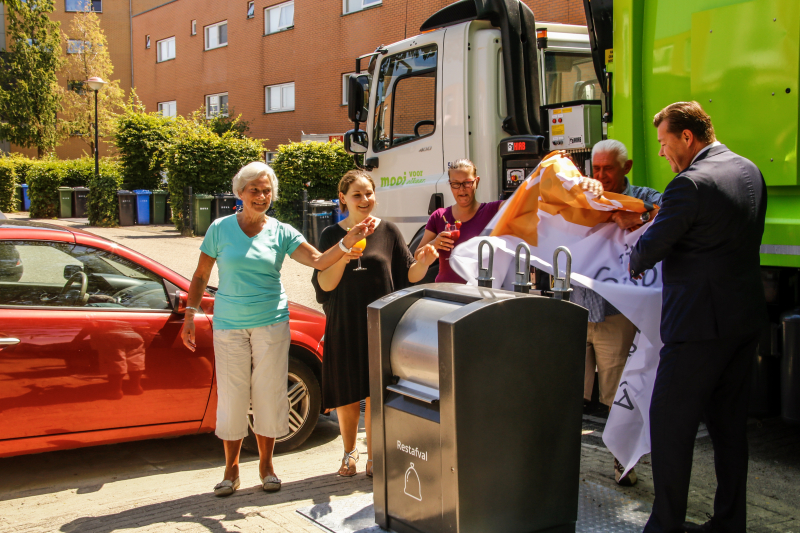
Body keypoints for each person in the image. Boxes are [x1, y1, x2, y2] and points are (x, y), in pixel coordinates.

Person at [181, 162, 375, 497]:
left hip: (271, 321)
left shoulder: (281, 231)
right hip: (229, 324)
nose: (261, 195)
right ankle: (231, 470)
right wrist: (189, 314)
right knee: (232, 397)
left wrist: (347, 243)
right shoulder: (219, 229)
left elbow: (317, 260)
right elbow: (200, 276)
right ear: (239, 193)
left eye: (266, 190)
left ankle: (267, 466)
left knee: (270, 394)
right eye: (254, 189)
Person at [629, 102, 767, 533]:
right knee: (729, 430)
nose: (663, 154)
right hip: (743, 321)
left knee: (670, 426)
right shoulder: (750, 172)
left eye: (665, 144)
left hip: (696, 328)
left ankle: (665, 524)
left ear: (687, 138)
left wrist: (639, 243)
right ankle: (730, 523)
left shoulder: (688, 185)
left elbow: (647, 251)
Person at [312, 170, 438, 478]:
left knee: (376, 391)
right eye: (357, 195)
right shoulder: (331, 234)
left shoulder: (389, 231)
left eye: (369, 193)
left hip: (381, 323)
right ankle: (349, 453)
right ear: (343, 198)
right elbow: (324, 286)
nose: (365, 200)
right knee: (347, 391)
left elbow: (409, 274)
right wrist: (344, 251)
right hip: (344, 321)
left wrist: (424, 261)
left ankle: (374, 453)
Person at [571, 139, 662, 487]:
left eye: (608, 168)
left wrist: (636, 216)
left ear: (627, 167)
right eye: (595, 168)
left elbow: (671, 216)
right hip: (579, 307)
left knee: (616, 393)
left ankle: (623, 463)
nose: (601, 175)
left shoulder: (645, 196)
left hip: (615, 314)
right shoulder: (583, 195)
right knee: (569, 389)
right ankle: (562, 459)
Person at [419, 158, 606, 284]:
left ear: (476, 181)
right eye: (456, 184)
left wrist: (572, 182)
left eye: (467, 183)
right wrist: (434, 245)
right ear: (450, 185)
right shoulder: (439, 216)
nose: (462, 189)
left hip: (478, 297)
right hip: (445, 296)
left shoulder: (493, 210)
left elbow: (527, 200)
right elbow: (416, 260)